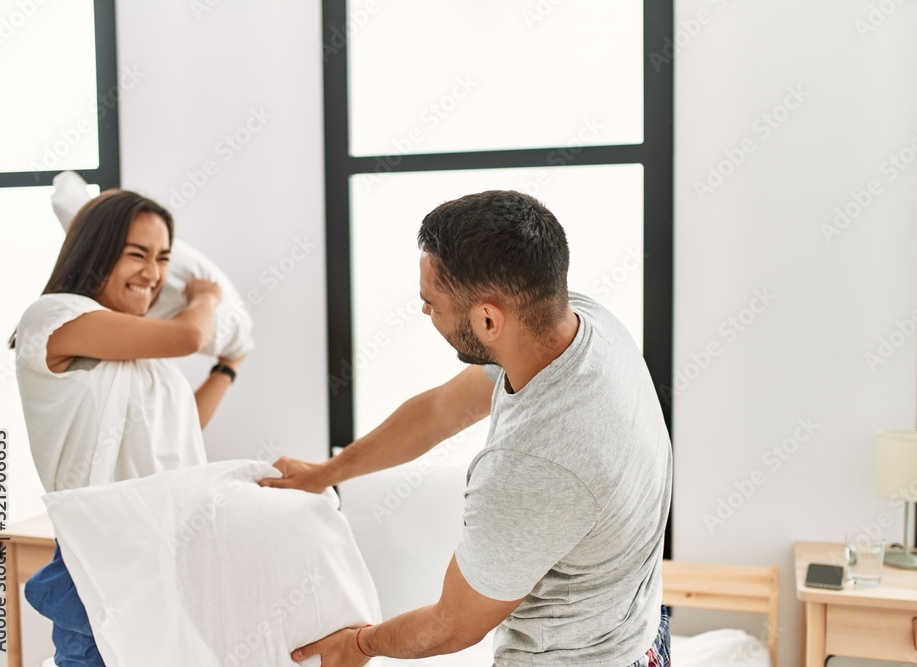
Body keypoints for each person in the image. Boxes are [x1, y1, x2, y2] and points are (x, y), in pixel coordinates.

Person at [261, 190, 673, 666]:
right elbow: (440, 411)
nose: (424, 311)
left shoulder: (532, 466)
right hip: (640, 636)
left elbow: (452, 626)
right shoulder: (578, 321)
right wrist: (327, 471)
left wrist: (359, 642)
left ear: (487, 319)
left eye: (431, 302)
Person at [11, 189, 244, 666]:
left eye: (162, 258)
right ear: (94, 250)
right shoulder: (55, 316)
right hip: (103, 558)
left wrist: (229, 366)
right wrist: (206, 297)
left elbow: (180, 430)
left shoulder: (142, 357)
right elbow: (188, 335)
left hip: (167, 559)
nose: (154, 273)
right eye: (136, 254)